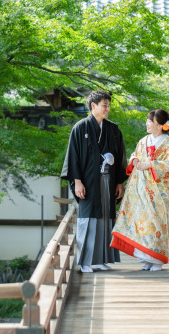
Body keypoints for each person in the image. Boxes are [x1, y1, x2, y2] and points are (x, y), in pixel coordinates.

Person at [110, 109, 169, 271]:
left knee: (157, 222)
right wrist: (135, 160)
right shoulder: (143, 141)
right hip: (143, 191)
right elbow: (134, 155)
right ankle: (147, 258)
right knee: (144, 222)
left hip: (160, 191)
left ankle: (157, 260)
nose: (147, 124)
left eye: (150, 122)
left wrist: (150, 164)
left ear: (160, 125)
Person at [60, 90, 126, 273]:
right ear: (93, 106)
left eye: (108, 105)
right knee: (88, 219)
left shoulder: (113, 129)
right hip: (88, 182)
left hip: (108, 181)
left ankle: (100, 259)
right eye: (104, 105)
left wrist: (120, 182)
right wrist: (77, 181)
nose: (107, 108)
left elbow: (120, 156)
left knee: (105, 218)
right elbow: (73, 156)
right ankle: (85, 261)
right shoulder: (80, 128)